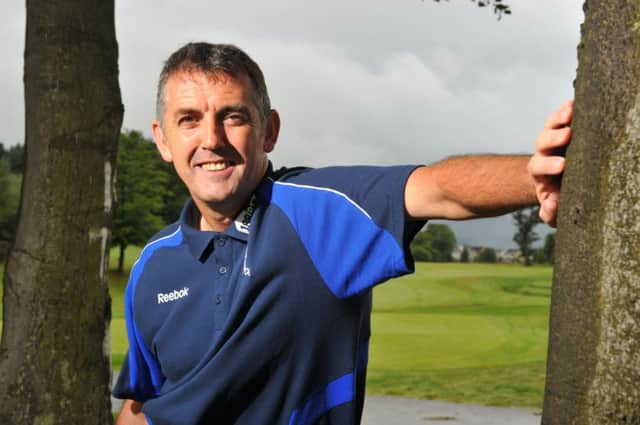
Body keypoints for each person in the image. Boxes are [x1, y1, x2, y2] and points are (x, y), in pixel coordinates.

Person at [113, 42, 572, 425]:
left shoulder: (317, 211)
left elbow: (439, 189)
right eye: (189, 120)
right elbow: (142, 401)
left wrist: (533, 176)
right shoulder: (152, 265)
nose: (211, 139)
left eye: (233, 117)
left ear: (269, 130)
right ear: (163, 140)